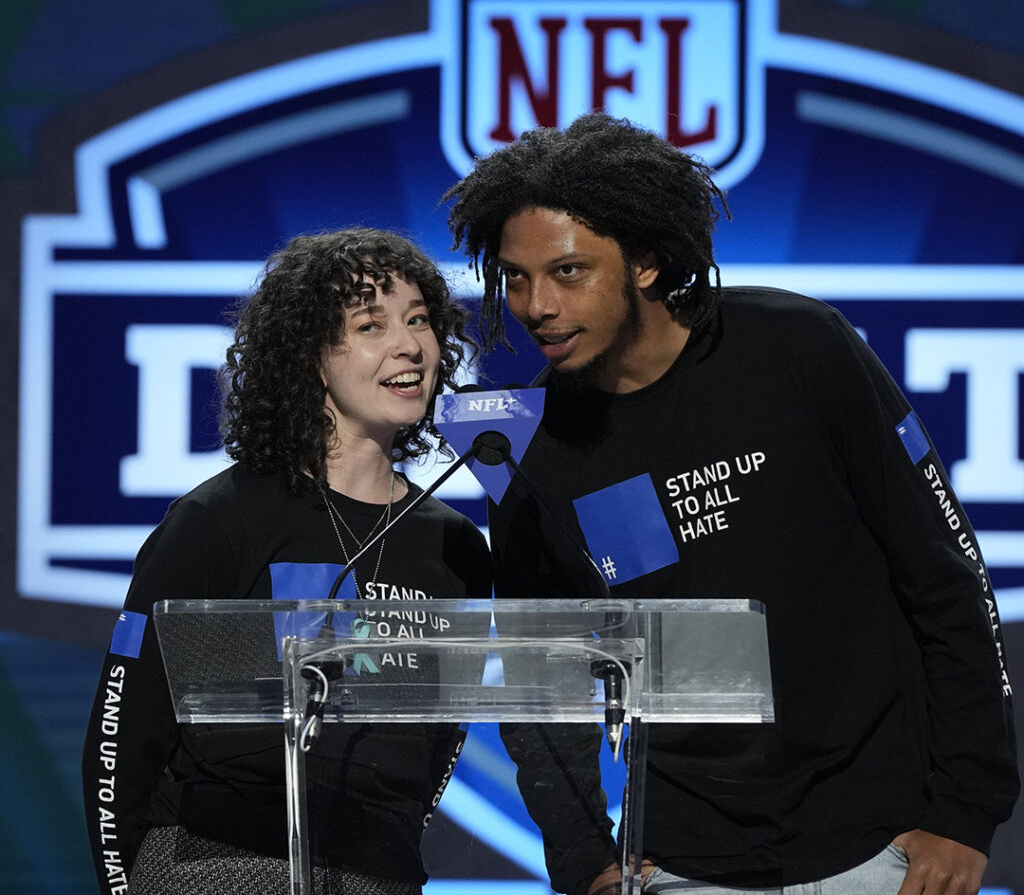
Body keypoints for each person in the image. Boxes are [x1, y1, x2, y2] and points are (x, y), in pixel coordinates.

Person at [442, 112, 1019, 895]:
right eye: (513, 276)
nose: (535, 304)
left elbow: (945, 578)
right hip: (683, 863)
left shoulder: (799, 347)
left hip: (886, 847)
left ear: (643, 261)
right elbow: (543, 683)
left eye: (568, 271)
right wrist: (584, 859)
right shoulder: (531, 447)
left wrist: (965, 810)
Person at [81, 227, 492, 895]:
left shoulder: (454, 546)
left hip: (377, 870)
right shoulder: (219, 521)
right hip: (217, 865)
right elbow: (124, 732)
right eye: (370, 324)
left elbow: (440, 739)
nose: (409, 344)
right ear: (311, 357)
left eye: (419, 320)